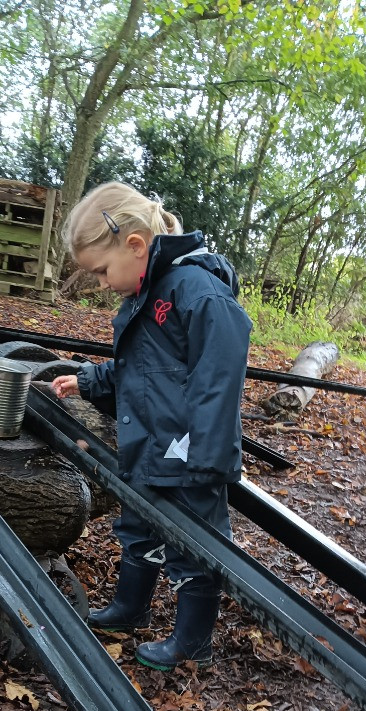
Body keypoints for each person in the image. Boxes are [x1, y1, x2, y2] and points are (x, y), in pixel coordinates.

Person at [51, 182, 251, 670]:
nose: (101, 283)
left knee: (193, 542)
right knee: (139, 525)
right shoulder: (148, 291)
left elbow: (219, 379)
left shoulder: (196, 292)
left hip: (188, 451)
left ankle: (192, 643)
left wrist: (206, 457)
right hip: (147, 442)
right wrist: (90, 380)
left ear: (136, 246)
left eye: (101, 271)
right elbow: (140, 367)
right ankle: (131, 607)